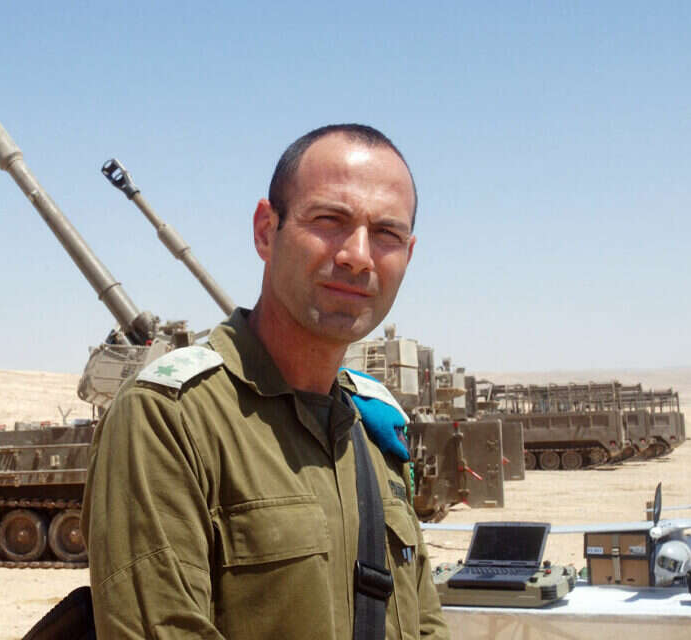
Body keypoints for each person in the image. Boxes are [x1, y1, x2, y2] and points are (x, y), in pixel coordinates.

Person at [80, 124, 449, 639]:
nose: (358, 255)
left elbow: (424, 623)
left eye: (387, 234)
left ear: (408, 254)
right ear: (265, 231)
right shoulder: (171, 419)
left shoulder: (373, 430)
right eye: (329, 220)